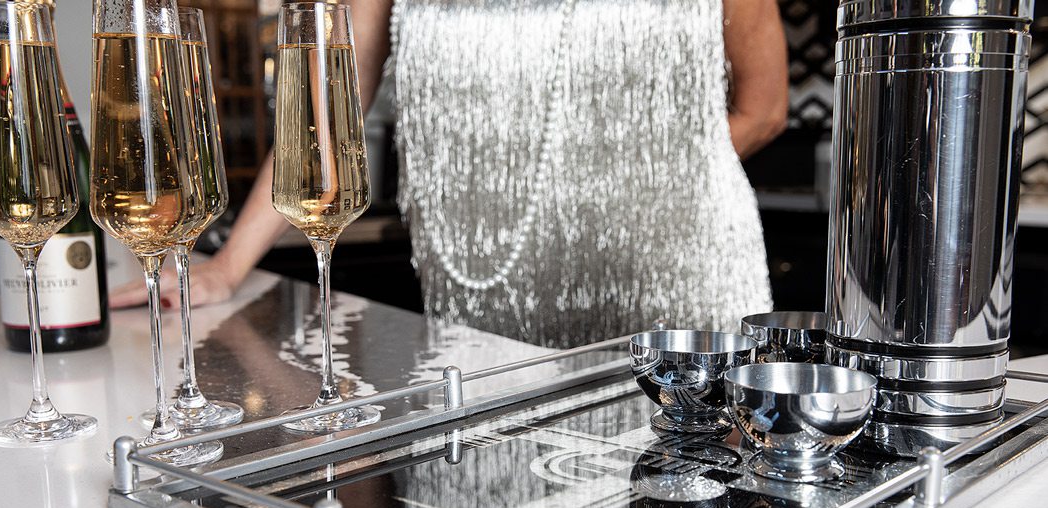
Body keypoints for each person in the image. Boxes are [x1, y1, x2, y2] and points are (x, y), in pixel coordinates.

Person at [111, 0, 788, 348]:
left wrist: (609, 197)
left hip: (676, 296)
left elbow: (764, 110)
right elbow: (329, 121)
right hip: (490, 313)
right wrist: (229, 265)